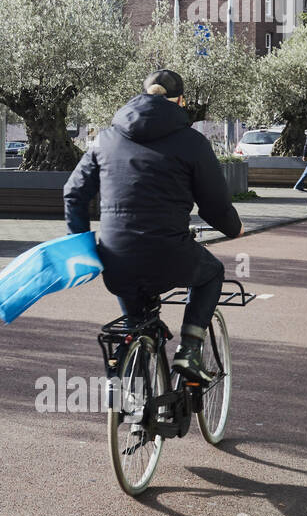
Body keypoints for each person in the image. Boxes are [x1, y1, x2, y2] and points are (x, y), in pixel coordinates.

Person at [64, 70, 243, 383]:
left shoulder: (105, 138)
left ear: (142, 94)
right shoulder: (193, 142)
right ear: (181, 100)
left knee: (137, 321)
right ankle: (189, 350)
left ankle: (133, 393)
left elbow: (73, 193)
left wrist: (81, 242)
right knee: (212, 273)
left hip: (116, 259)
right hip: (170, 255)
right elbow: (214, 204)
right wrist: (233, 229)